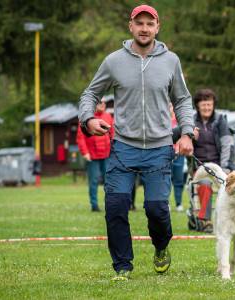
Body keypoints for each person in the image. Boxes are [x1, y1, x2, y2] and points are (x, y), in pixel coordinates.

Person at [78, 4, 195, 281]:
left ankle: (161, 247)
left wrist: (187, 132)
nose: (144, 29)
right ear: (130, 26)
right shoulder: (113, 61)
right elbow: (90, 94)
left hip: (159, 148)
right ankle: (122, 267)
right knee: (116, 206)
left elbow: (182, 100)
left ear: (157, 27)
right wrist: (88, 119)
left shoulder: (171, 61)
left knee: (156, 209)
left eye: (149, 24)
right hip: (123, 147)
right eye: (139, 23)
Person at [175, 88, 235, 233]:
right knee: (204, 184)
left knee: (234, 185)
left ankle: (230, 221)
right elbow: (182, 141)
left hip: (220, 167)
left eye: (209, 104)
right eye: (204, 105)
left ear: (213, 105)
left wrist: (226, 167)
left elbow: (227, 145)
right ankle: (205, 220)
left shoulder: (220, 121)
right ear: (198, 106)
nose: (207, 108)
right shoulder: (191, 122)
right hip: (198, 167)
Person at [77, 98, 114, 212]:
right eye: (100, 102)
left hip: (107, 155)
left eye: (104, 102)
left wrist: (115, 149)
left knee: (109, 181)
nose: (103, 104)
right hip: (92, 156)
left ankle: (110, 204)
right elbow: (80, 137)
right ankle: (94, 205)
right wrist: (85, 152)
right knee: (93, 181)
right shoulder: (87, 117)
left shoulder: (108, 116)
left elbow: (113, 133)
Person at [170, 103, 186, 212]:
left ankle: (179, 203)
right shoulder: (163, 120)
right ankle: (165, 203)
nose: (172, 108)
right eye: (170, 106)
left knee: (179, 180)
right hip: (165, 154)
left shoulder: (181, 122)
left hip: (179, 154)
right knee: (165, 180)